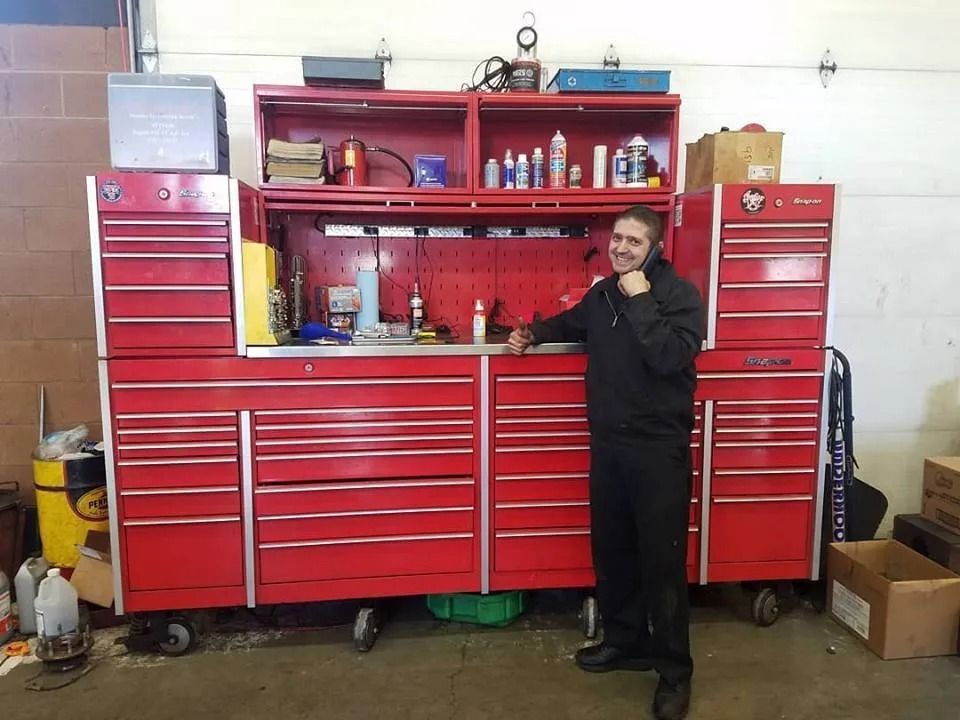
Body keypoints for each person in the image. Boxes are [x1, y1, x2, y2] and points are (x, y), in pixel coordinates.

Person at [507, 205, 704, 720]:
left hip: (658, 450)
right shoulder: (601, 294)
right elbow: (568, 322)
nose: (621, 248)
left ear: (654, 248)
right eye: (617, 238)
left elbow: (669, 357)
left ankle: (674, 675)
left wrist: (640, 298)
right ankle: (626, 644)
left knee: (661, 565)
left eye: (634, 242)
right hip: (610, 447)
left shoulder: (679, 297)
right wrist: (531, 333)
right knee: (614, 553)